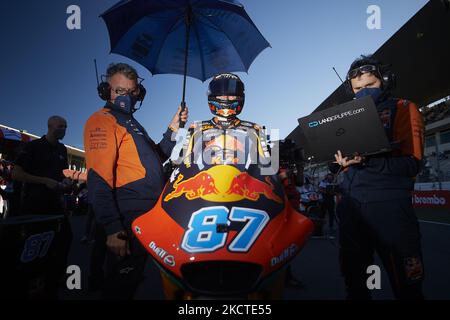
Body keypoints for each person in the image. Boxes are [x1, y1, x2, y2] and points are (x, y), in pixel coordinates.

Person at [83, 62, 188, 299]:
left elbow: (158, 155)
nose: (126, 97)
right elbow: (98, 178)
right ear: (105, 91)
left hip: (151, 214)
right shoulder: (102, 119)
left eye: (131, 92)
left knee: (137, 280)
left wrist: (173, 128)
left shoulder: (133, 124)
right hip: (128, 218)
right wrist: (113, 229)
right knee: (120, 287)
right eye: (120, 91)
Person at [332, 55, 425, 300]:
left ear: (384, 81)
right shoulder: (344, 119)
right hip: (351, 207)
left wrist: (367, 160)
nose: (364, 92)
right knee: (355, 283)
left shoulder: (403, 107)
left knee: (407, 286)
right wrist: (339, 164)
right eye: (358, 89)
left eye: (370, 86)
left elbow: (412, 164)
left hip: (390, 208)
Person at [11, 115, 73, 298]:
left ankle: (52, 279)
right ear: (49, 126)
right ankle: (28, 284)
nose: (63, 129)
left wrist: (67, 182)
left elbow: (62, 174)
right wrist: (44, 181)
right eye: (60, 126)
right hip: (34, 207)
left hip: (55, 207)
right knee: (31, 249)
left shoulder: (62, 150)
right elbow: (16, 173)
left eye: (66, 127)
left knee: (64, 240)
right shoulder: (33, 147)